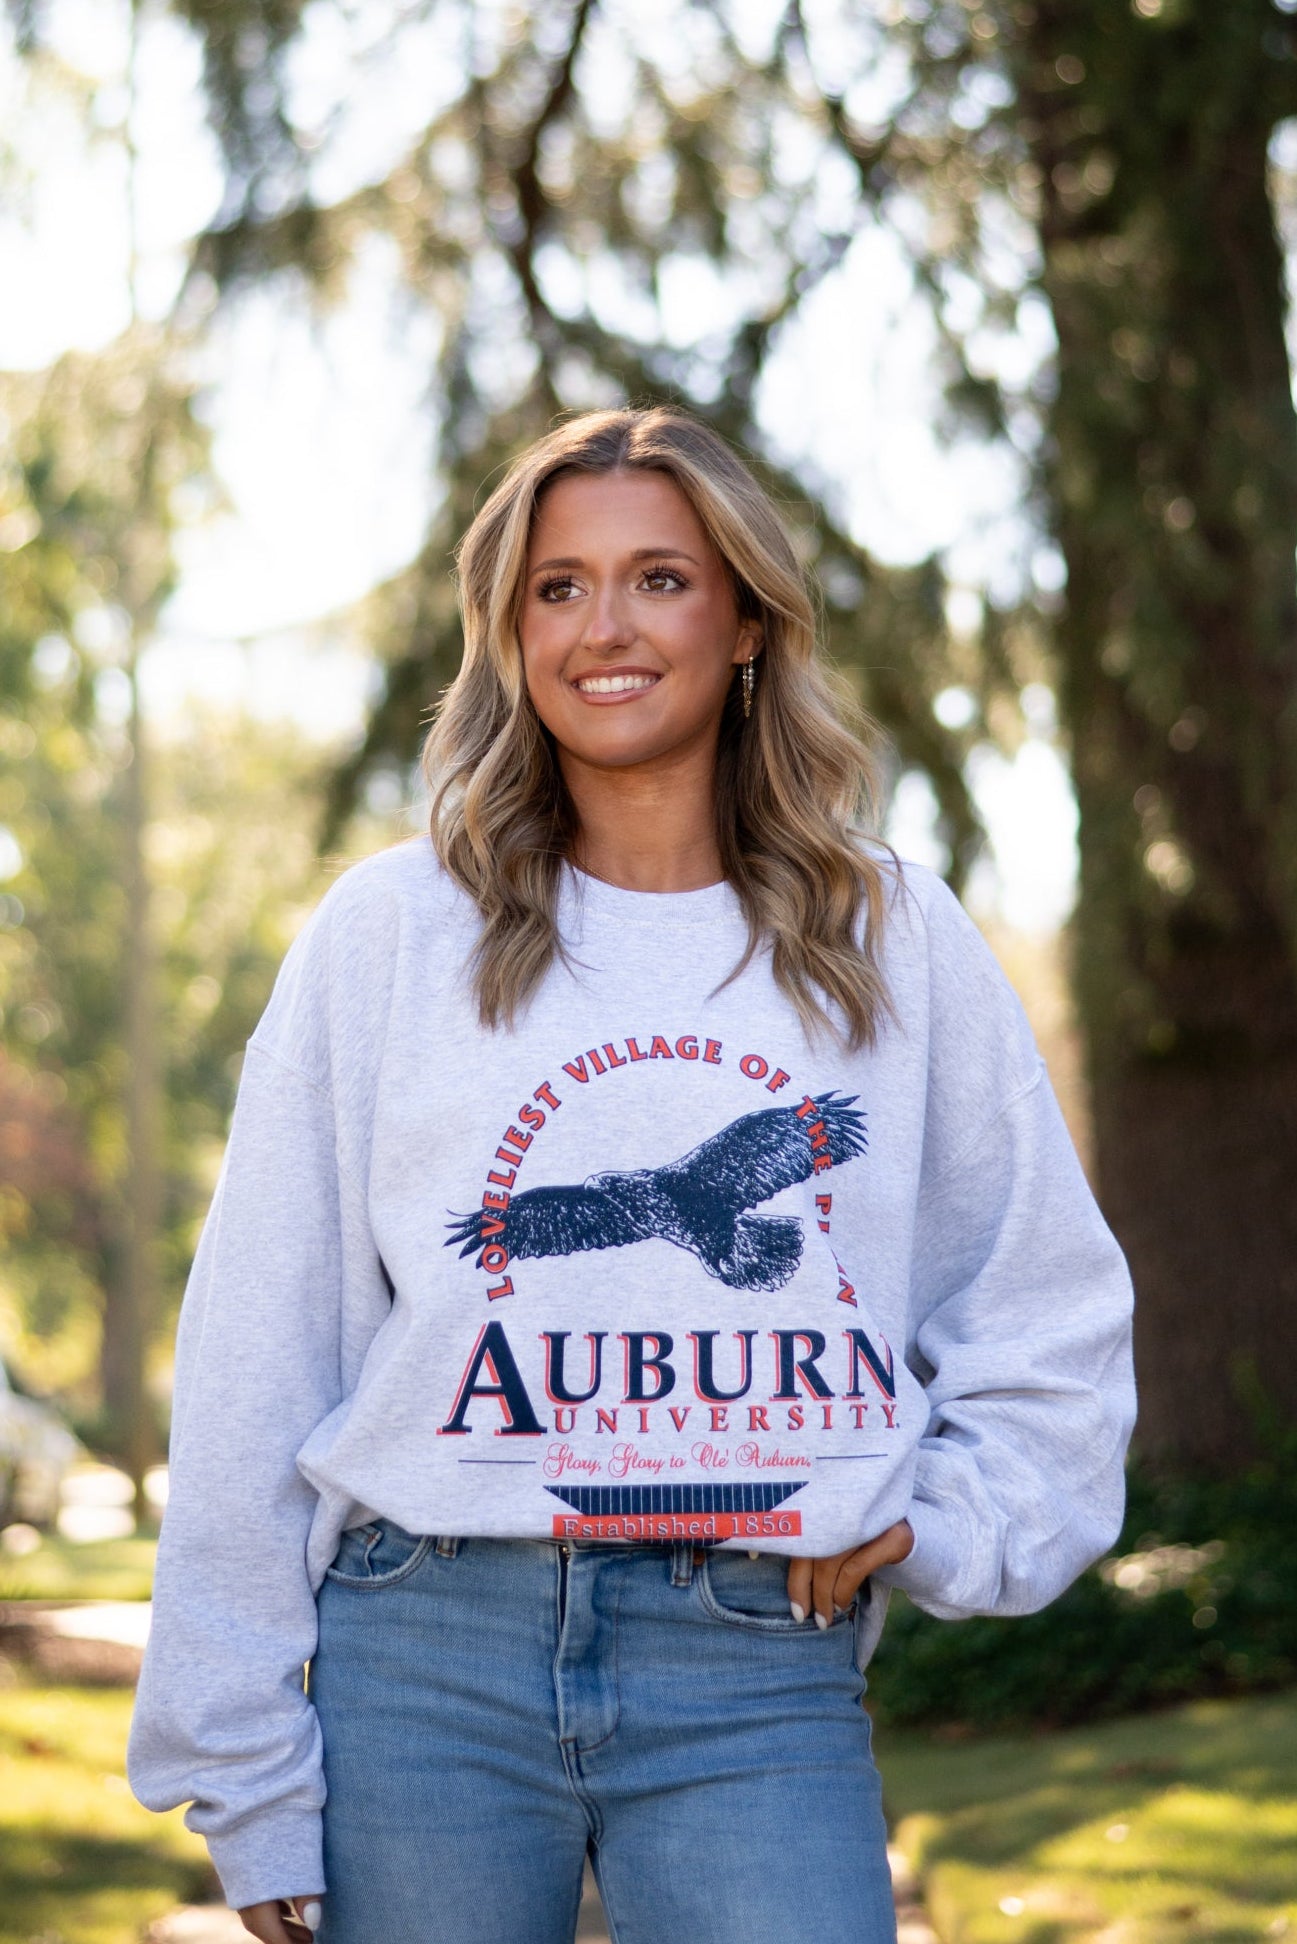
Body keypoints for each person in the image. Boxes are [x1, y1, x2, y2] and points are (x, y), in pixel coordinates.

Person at [128, 406, 1136, 1944]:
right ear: (510, 632)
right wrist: (245, 1770)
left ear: (744, 621)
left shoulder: (891, 941)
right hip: (423, 1658)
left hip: (752, 1654)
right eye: (557, 587)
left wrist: (939, 1521)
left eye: (659, 578)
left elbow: (1043, 1312)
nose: (604, 627)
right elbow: (259, 1354)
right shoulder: (390, 937)